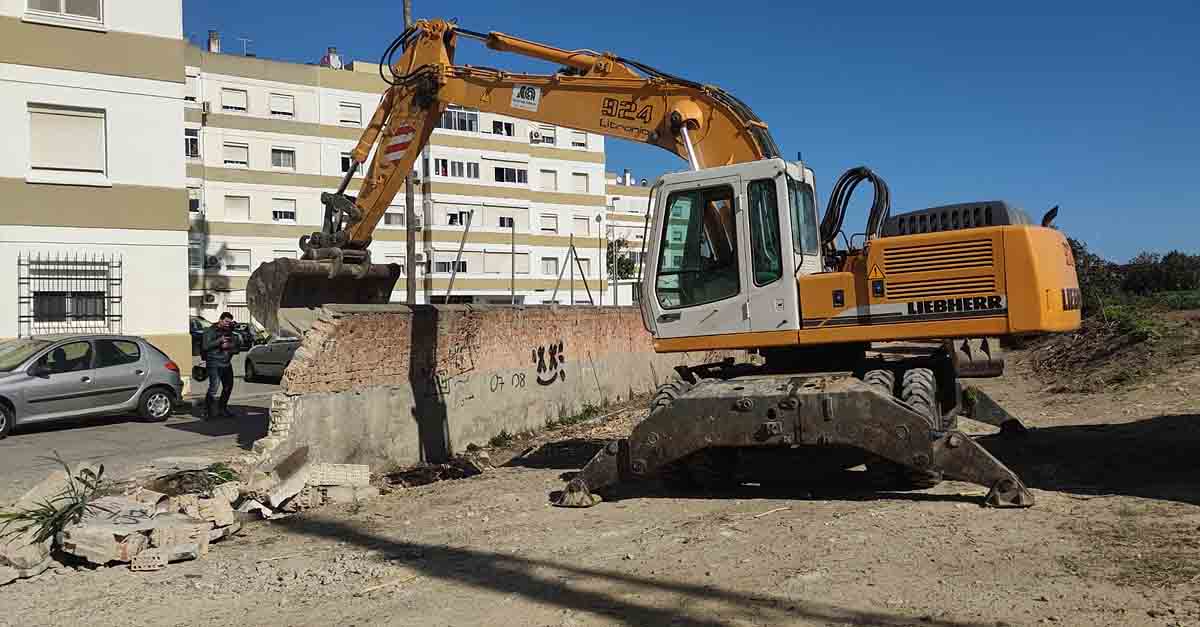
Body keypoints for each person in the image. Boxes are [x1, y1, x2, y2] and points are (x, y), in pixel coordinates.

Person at [201, 312, 240, 418]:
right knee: (214, 387)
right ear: (220, 320)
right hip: (214, 362)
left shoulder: (229, 331)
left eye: (230, 322)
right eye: (226, 321)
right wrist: (219, 341)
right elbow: (205, 346)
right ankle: (207, 411)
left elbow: (236, 346)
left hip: (226, 363)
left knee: (228, 386)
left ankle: (222, 409)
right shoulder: (210, 331)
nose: (228, 324)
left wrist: (230, 346)